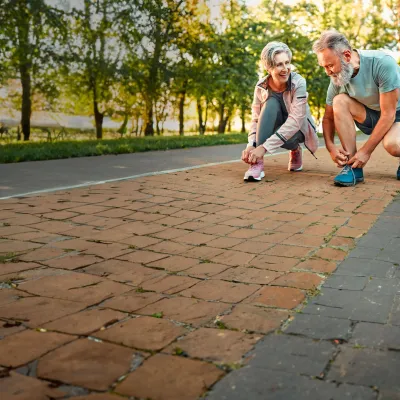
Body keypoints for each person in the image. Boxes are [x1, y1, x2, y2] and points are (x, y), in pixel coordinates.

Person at [313, 29, 400, 186]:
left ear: (346, 56)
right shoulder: (337, 79)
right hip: (373, 114)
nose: (327, 72)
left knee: (393, 145)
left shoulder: (382, 63)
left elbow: (388, 114)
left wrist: (365, 152)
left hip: (396, 115)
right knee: (339, 101)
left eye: (330, 65)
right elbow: (328, 117)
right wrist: (331, 147)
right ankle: (353, 168)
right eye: (324, 67)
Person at [242, 42, 318, 182]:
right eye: (279, 64)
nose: (285, 69)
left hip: (297, 129)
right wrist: (251, 145)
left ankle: (295, 149)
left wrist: (263, 147)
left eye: (287, 63)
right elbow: (256, 119)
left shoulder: (298, 83)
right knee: (270, 103)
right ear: (269, 68)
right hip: (273, 128)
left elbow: (296, 121)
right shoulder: (260, 86)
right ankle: (257, 164)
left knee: (290, 132)